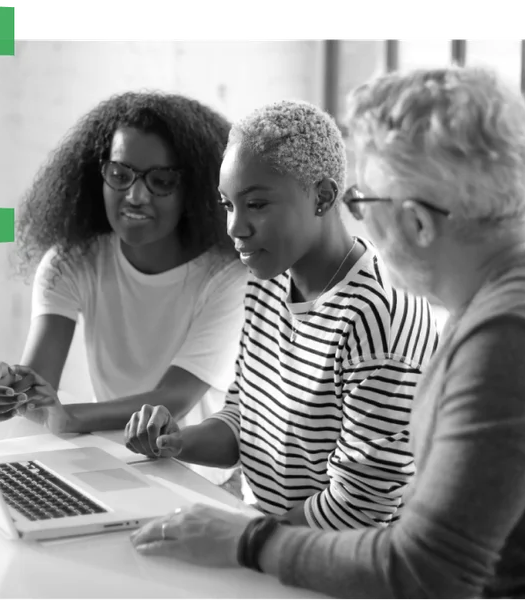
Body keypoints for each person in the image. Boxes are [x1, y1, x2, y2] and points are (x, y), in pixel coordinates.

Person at [128, 66, 525, 600]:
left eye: (363, 203)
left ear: (418, 223)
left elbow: (424, 572)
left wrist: (246, 541)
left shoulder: (510, 344)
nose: (360, 225)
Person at [125, 99, 439, 530]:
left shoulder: (379, 318)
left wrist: (239, 539)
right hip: (268, 537)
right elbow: (243, 421)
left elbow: (361, 508)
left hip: (342, 566)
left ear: (323, 197)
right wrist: (176, 441)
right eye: (228, 204)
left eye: (256, 204)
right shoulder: (267, 281)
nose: (235, 227)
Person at [0, 91, 248, 489]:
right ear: (98, 174)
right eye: (120, 175)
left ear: (193, 190)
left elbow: (175, 397)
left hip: (200, 479)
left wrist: (67, 416)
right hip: (115, 465)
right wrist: (6, 391)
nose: (135, 195)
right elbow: (37, 386)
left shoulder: (227, 277)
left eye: (161, 181)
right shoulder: (72, 261)